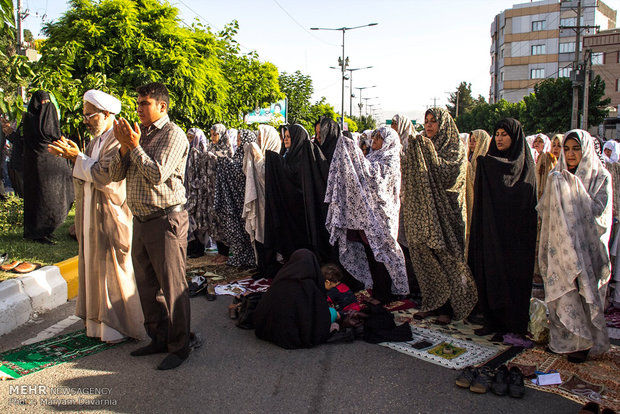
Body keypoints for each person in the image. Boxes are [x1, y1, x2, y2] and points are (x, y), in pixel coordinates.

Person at [109, 82, 200, 370]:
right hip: (142, 219)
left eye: (144, 103)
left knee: (173, 286)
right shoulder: (139, 134)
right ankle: (159, 337)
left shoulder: (173, 135)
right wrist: (125, 147)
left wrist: (134, 146)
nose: (138, 108)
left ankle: (180, 345)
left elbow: (157, 174)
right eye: (137, 103)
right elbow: (114, 174)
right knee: (148, 286)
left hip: (165, 220)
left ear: (162, 106)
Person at [48, 89, 145, 343]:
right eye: (84, 117)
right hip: (93, 212)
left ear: (105, 114)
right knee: (93, 269)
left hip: (111, 213)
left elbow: (106, 176)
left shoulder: (116, 139)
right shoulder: (96, 140)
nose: (86, 121)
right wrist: (73, 156)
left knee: (112, 270)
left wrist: (76, 158)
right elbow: (87, 171)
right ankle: (96, 324)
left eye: (89, 116)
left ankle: (118, 327)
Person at [538, 130, 612, 362]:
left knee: (584, 291)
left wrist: (573, 187)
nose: (570, 154)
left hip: (587, 250)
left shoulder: (601, 177)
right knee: (562, 289)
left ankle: (584, 342)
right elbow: (545, 211)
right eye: (567, 149)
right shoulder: (557, 175)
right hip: (560, 247)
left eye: (576, 149)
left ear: (586, 150)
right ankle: (564, 340)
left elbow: (601, 215)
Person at [402, 108, 476, 324]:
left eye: (434, 121)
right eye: (426, 121)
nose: (429, 125)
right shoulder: (422, 144)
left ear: (443, 124)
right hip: (426, 214)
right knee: (428, 258)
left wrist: (429, 155)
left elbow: (450, 176)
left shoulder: (455, 149)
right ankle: (433, 303)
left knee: (448, 258)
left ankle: (451, 308)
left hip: (449, 213)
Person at [468, 118, 537, 339]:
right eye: (496, 134)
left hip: (515, 237)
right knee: (490, 271)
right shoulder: (489, 163)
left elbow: (525, 199)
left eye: (504, 134)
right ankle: (492, 320)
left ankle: (512, 324)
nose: (499, 138)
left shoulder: (525, 166)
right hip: (492, 232)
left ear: (515, 136)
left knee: (512, 276)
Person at [325, 127, 409, 303]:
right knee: (372, 253)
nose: (375, 140)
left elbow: (373, 177)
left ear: (388, 142)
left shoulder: (391, 159)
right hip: (369, 219)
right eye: (376, 136)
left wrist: (353, 151)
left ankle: (385, 293)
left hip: (383, 216)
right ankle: (378, 290)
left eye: (379, 137)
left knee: (384, 254)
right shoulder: (372, 157)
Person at [22, 91, 74, 244]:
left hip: (38, 168)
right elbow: (51, 132)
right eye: (43, 103)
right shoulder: (41, 119)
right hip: (43, 168)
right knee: (43, 200)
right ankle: (38, 233)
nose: (46, 107)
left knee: (46, 199)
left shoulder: (29, 119)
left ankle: (45, 230)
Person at [254, 249, 331, 349]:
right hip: (296, 335)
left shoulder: (281, 278)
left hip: (269, 330)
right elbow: (321, 315)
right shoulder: (310, 287)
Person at [214, 129, 257, 267]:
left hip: (243, 201)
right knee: (236, 230)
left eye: (240, 140)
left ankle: (248, 258)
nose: (238, 143)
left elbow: (241, 175)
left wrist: (226, 163)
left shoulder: (250, 156)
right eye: (237, 139)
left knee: (245, 230)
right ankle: (239, 257)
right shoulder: (239, 155)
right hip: (236, 202)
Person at [243, 124, 281, 272]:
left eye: (261, 137)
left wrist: (258, 156)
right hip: (259, 202)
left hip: (270, 204)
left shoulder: (275, 155)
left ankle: (270, 268)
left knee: (269, 235)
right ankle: (262, 265)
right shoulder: (260, 153)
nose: (259, 140)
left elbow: (265, 175)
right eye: (258, 137)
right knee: (258, 232)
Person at [206, 123, 233, 264]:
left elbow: (227, 161)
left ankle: (225, 253)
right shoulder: (210, 147)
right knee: (214, 221)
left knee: (223, 221)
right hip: (211, 189)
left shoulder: (227, 149)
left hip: (222, 191)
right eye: (211, 134)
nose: (213, 137)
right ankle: (219, 251)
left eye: (215, 134)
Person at [465, 129, 491, 255]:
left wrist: (469, 170)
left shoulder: (485, 161)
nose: (471, 144)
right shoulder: (469, 158)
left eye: (475, 141)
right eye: (470, 141)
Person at [185, 128, 209, 258]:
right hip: (188, 192)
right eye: (188, 137)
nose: (189, 140)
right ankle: (192, 247)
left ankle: (199, 248)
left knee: (199, 219)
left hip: (200, 193)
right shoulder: (188, 151)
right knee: (189, 219)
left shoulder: (203, 153)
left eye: (191, 137)